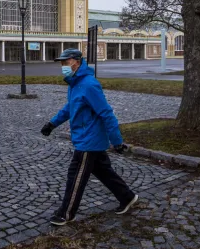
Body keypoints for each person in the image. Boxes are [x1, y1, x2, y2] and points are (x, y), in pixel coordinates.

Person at [41, 48, 138, 226]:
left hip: (89, 141)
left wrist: (117, 142)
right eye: (62, 63)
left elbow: (106, 113)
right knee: (104, 172)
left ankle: (66, 213)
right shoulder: (75, 83)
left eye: (66, 62)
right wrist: (52, 124)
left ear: (77, 62)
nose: (63, 66)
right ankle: (127, 197)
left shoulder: (89, 85)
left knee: (75, 176)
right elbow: (70, 107)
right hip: (88, 138)